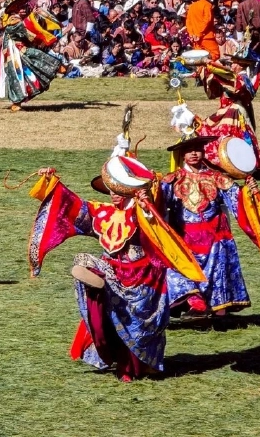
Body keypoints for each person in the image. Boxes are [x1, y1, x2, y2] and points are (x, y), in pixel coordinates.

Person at [25, 129, 204, 381]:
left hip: (144, 277)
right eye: (110, 188)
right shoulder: (102, 212)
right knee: (110, 311)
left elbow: (157, 224)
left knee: (139, 324)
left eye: (118, 189)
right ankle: (123, 364)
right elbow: (69, 206)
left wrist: (147, 203)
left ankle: (142, 364)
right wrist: (51, 183)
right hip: (114, 271)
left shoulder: (141, 210)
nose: (113, 193)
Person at [157, 133, 260, 316]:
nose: (194, 154)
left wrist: (249, 192)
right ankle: (191, 303)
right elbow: (157, 205)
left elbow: (237, 199)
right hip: (183, 238)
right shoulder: (171, 180)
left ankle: (219, 315)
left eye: (197, 150)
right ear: (182, 154)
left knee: (217, 275)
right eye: (189, 150)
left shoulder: (217, 178)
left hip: (214, 236)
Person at [0, 0, 63, 111]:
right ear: (13, 8)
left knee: (32, 64)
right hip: (13, 52)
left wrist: (35, 17)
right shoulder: (12, 20)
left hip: (20, 48)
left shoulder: (20, 18)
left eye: (23, 6)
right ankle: (17, 102)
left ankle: (58, 67)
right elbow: (23, 28)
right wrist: (34, 16)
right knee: (16, 75)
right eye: (19, 7)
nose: (22, 9)